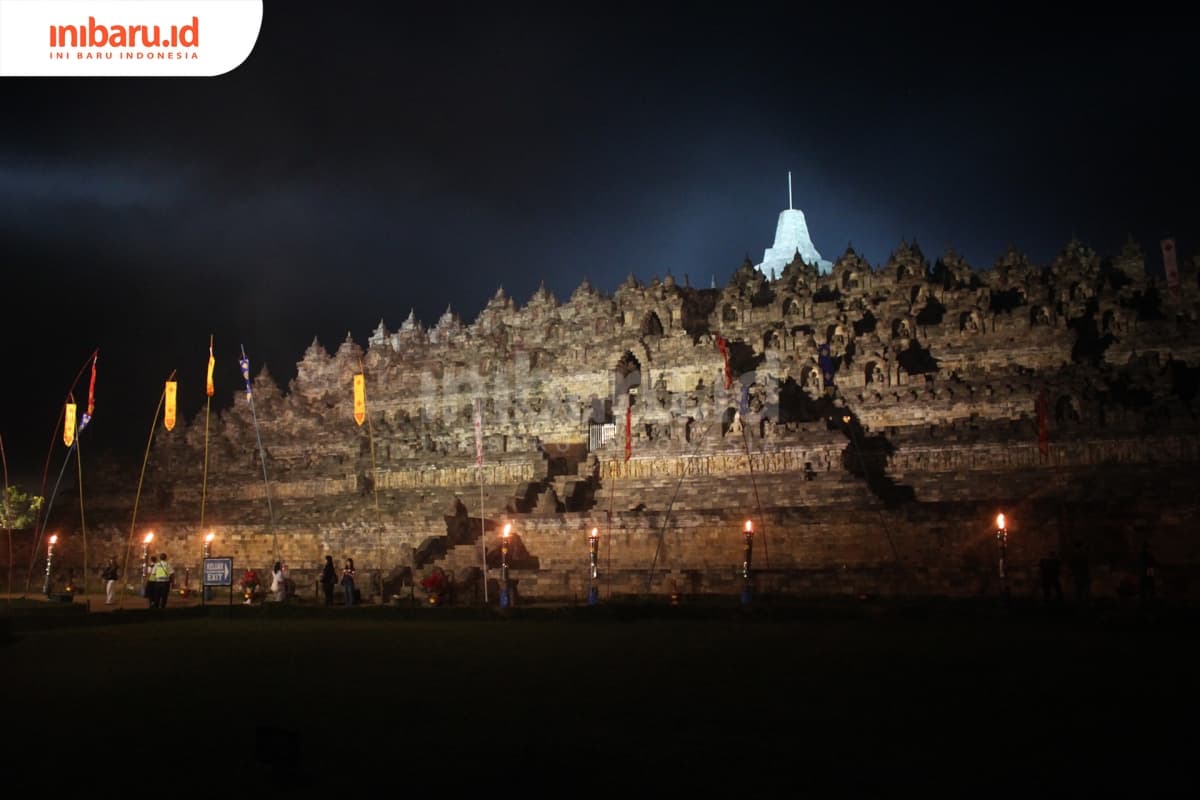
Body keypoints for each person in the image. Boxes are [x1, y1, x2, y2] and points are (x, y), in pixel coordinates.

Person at [1069, 540, 1090, 606]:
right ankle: (1084, 603)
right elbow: (1086, 565)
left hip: (1077, 574)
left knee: (1078, 590)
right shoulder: (1083, 554)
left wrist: (1072, 573)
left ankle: (1079, 603)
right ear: (1081, 546)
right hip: (1083, 574)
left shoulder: (1074, 554)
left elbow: (1071, 565)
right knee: (1084, 589)